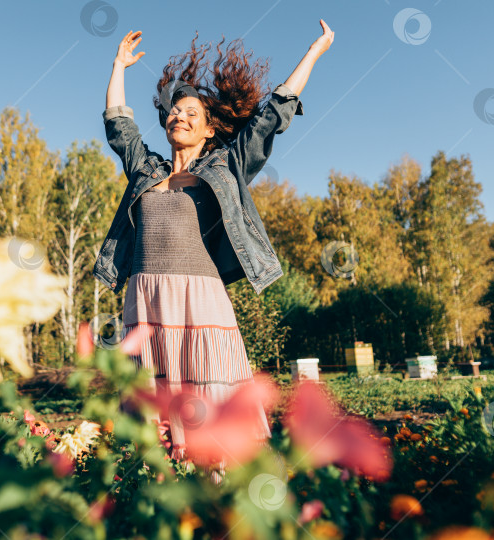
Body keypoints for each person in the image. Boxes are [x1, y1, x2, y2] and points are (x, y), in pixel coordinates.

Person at [97, 21, 334, 483]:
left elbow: (272, 117)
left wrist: (314, 53)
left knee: (213, 392)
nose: (178, 117)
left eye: (190, 113)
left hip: (201, 300)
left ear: (209, 130)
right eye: (173, 112)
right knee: (150, 398)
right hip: (145, 301)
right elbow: (119, 128)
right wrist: (118, 67)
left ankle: (224, 486)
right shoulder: (146, 170)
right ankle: (156, 488)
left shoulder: (226, 165)